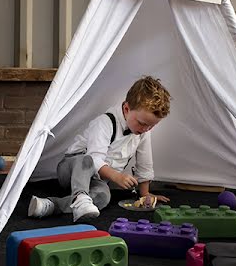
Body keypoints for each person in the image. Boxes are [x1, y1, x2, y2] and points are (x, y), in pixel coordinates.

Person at [28, 76, 172, 223]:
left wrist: (145, 193)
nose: (146, 129)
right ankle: (80, 196)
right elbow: (95, 159)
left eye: (151, 126)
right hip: (72, 169)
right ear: (127, 109)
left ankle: (52, 205)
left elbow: (145, 163)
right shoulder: (105, 122)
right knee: (87, 160)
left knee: (103, 196)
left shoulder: (143, 132)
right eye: (142, 123)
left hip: (96, 179)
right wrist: (117, 176)